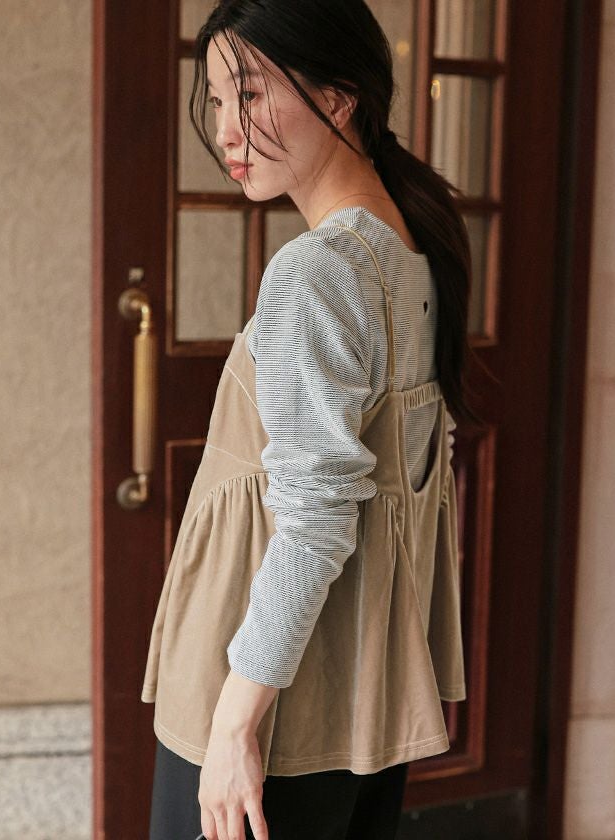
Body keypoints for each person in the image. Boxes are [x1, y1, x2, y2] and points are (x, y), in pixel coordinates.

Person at [142, 2, 483, 838]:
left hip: (272, 705)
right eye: (217, 99)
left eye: (251, 94)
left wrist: (234, 724)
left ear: (338, 97)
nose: (227, 129)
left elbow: (316, 517)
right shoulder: (411, 248)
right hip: (356, 702)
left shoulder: (318, 271)